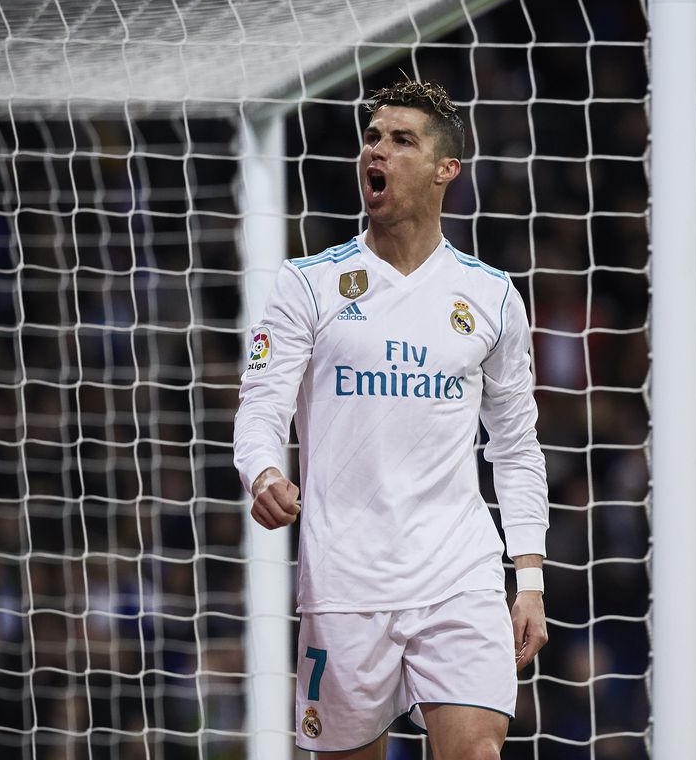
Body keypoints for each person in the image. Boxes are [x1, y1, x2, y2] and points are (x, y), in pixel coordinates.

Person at [233, 78, 549, 760]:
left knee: (477, 752)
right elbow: (260, 404)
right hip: (345, 579)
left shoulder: (491, 296)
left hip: (458, 570)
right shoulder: (307, 284)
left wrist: (528, 580)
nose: (377, 150)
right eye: (372, 137)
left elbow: (517, 445)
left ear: (445, 169)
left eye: (402, 140)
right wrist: (262, 471)